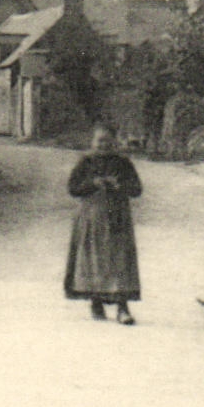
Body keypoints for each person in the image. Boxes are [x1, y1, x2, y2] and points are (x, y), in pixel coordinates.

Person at [63, 124, 142, 324]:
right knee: (93, 259)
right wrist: (93, 184)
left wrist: (120, 185)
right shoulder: (86, 162)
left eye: (108, 141)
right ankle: (96, 302)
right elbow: (73, 188)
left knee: (120, 260)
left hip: (117, 220)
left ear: (115, 143)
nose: (103, 145)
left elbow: (137, 189)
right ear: (93, 142)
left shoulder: (123, 163)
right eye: (99, 141)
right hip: (92, 219)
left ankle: (122, 308)